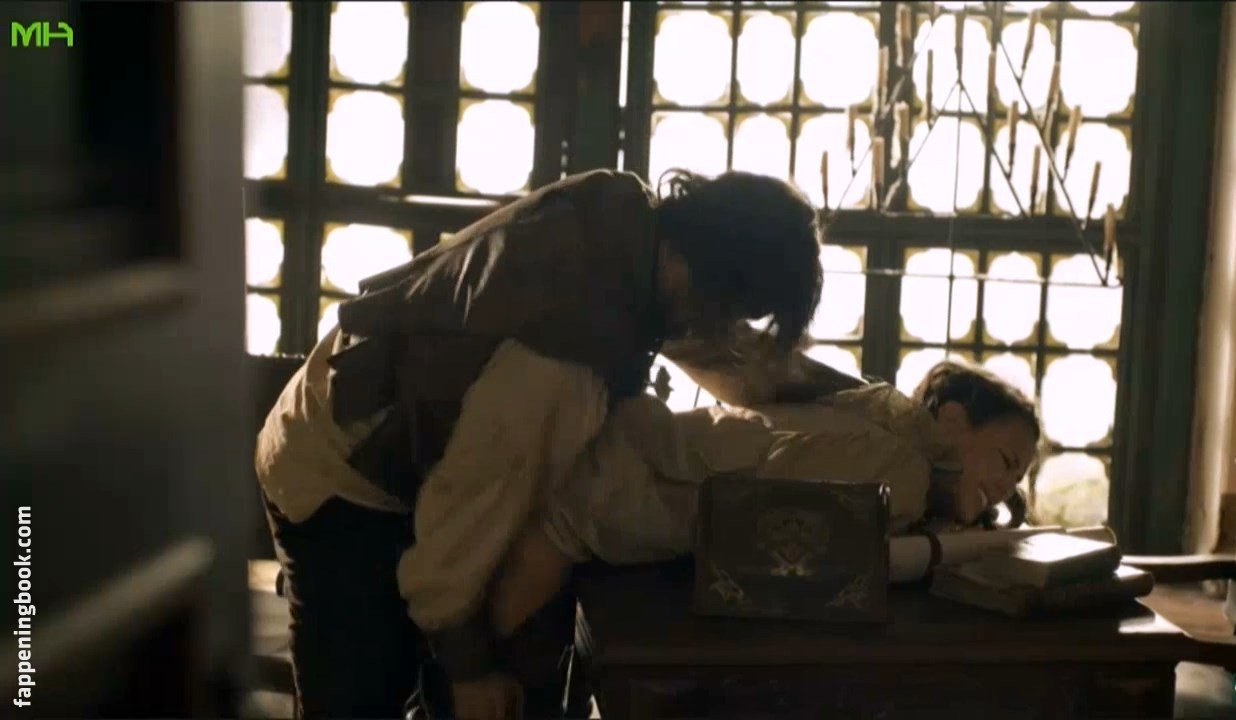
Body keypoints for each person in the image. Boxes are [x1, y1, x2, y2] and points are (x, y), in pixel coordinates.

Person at [255, 168, 842, 718]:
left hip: (356, 421)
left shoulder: (626, 216)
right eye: (733, 311)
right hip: (335, 476)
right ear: (712, 277)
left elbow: (716, 356)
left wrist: (840, 396)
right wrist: (467, 669)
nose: (722, 329)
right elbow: (460, 519)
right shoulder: (563, 360)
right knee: (358, 700)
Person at [479, 360, 1043, 648]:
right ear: (952, 423)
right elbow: (778, 525)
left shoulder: (894, 449)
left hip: (615, 477)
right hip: (610, 489)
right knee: (490, 677)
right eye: (1005, 460)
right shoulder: (903, 471)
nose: (1006, 487)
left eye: (1018, 478)